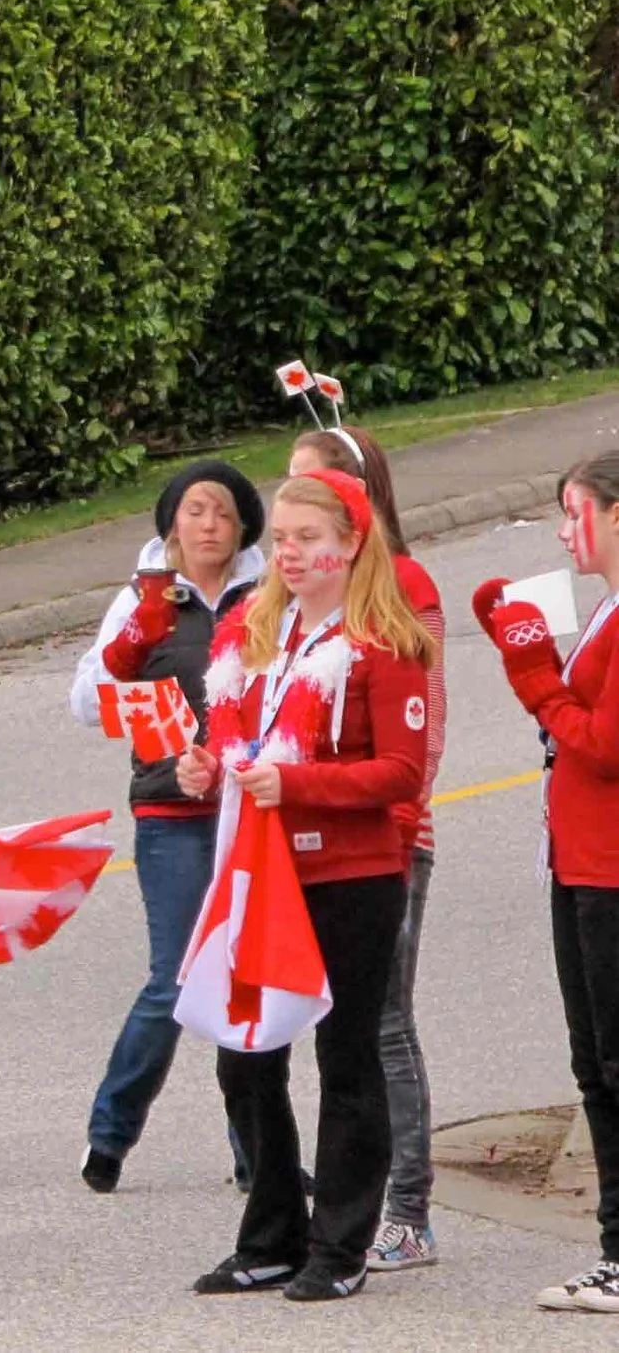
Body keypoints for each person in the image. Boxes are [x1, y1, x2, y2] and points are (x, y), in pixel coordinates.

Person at [175, 471, 435, 1302]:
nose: (288, 553)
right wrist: (205, 767)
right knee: (245, 1054)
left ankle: (342, 1244)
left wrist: (302, 786)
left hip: (351, 875)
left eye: (305, 538)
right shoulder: (257, 631)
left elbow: (399, 773)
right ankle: (273, 1232)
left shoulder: (384, 642)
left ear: (351, 543)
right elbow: (234, 736)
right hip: (260, 870)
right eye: (280, 538)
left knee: (346, 1054)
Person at [67, 460, 265, 1194]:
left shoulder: (266, 596)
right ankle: (109, 1136)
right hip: (170, 814)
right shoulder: (144, 599)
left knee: (246, 980)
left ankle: (257, 1155)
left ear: (243, 527)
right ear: (170, 524)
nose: (207, 525)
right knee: (176, 980)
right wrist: (129, 656)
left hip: (250, 810)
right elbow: (88, 700)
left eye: (221, 513)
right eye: (193, 511)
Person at [288, 424, 447, 1270]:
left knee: (382, 1023)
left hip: (385, 840)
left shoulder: (403, 587)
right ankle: (338, 1190)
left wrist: (402, 818)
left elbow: (420, 722)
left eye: (309, 495)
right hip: (315, 838)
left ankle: (407, 1208)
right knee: (338, 1024)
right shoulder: (305, 599)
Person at [472, 452, 619, 1314]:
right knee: (594, 1065)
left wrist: (532, 676)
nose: (567, 533)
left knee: (613, 1063)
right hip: (580, 861)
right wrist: (518, 641)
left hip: (608, 868)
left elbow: (601, 743)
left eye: (577, 514)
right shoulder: (606, 609)